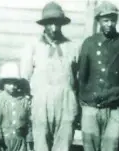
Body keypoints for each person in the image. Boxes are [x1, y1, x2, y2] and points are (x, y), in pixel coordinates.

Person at [77, 1, 119, 151]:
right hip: (90, 107)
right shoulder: (89, 44)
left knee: (111, 147)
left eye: (113, 20)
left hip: (114, 108)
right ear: (98, 21)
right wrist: (83, 104)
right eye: (105, 20)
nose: (109, 24)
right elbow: (81, 75)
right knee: (90, 147)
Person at [20, 2, 78, 151]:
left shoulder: (71, 46)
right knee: (41, 144)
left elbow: (77, 77)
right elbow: (24, 77)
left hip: (66, 101)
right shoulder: (32, 46)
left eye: (57, 24)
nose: (54, 28)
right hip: (40, 101)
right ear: (44, 24)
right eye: (50, 24)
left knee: (63, 143)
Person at [0, 62, 33, 151]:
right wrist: (0, 138)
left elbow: (28, 121)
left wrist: (29, 140)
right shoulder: (0, 99)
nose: (13, 86)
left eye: (15, 83)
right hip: (5, 140)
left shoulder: (23, 99)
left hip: (20, 139)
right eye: (9, 83)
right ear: (3, 83)